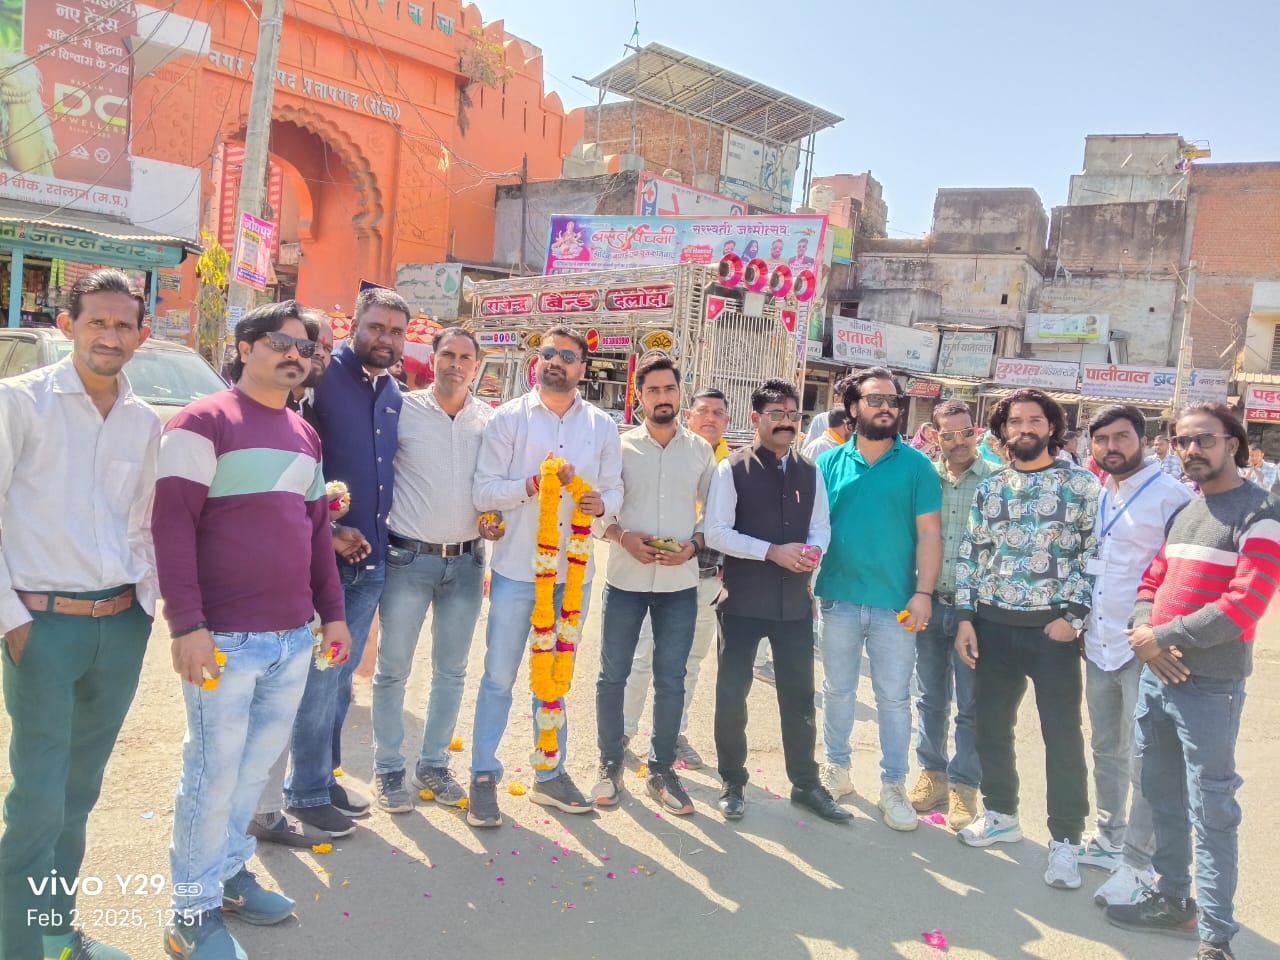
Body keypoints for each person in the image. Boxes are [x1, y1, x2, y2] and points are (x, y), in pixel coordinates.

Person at [154, 300, 351, 959]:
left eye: (306, 347)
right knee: (211, 775)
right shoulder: (200, 422)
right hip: (224, 641)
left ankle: (231, 875)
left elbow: (316, 533)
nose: (296, 354)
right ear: (244, 348)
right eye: (281, 342)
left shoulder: (304, 435)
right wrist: (187, 624)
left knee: (251, 772)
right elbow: (171, 529)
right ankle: (190, 911)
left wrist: (333, 614)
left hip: (292, 640)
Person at [0, 270, 158, 960]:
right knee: (38, 798)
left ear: (141, 336)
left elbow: (143, 525)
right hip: (42, 626)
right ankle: (16, 945)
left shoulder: (144, 421)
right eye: (97, 321)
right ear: (67, 326)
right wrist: (11, 618)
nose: (110, 336)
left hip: (119, 627)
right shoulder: (19, 403)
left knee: (79, 792)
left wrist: (145, 608)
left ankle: (55, 933)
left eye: (123, 325)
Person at [1106, 403, 1280, 960]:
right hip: (1159, 676)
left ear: (1234, 442)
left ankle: (1216, 937)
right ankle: (1173, 897)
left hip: (1209, 685)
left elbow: (1245, 604)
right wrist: (1146, 635)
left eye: (1203, 439)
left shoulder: (1260, 512)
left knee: (1212, 810)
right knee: (1162, 794)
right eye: (1182, 441)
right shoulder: (1189, 508)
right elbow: (1152, 579)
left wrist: (1161, 637)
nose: (1190, 450)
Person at [467, 326, 623, 827]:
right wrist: (533, 484)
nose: (556, 361)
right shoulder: (508, 418)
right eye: (548, 353)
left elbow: (615, 491)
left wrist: (600, 504)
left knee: (554, 679)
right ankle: (483, 774)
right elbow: (484, 490)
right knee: (498, 677)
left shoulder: (601, 425)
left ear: (583, 368)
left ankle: (549, 775)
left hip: (572, 576)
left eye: (567, 356)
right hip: (517, 571)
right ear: (537, 361)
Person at [954, 387, 1100, 891]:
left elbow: (1093, 553)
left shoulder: (1080, 484)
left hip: (1051, 631)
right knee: (991, 726)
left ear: (1051, 427)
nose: (1024, 429)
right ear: (1002, 431)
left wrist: (1074, 615)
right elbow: (972, 552)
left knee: (1062, 735)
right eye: (1015, 422)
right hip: (993, 626)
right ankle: (1001, 814)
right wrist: (966, 617)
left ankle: (1066, 840)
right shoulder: (992, 487)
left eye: (1034, 420)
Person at [284, 287, 408, 837]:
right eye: (375, 326)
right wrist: (329, 530)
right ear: (354, 325)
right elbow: (292, 469)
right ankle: (304, 791)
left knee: (339, 680)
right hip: (322, 557)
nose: (385, 338)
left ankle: (324, 777)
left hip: (371, 560)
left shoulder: (392, 392)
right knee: (318, 676)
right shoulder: (318, 378)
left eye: (395, 331)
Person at [705, 378, 850, 824]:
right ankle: (732, 780)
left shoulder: (810, 470)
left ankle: (805, 783)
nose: (787, 423)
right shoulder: (732, 469)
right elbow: (716, 532)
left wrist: (814, 551)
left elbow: (821, 526)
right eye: (776, 415)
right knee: (733, 694)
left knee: (800, 697)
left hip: (793, 604)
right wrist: (771, 551)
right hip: (742, 601)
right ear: (756, 419)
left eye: (792, 415)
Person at [370, 327, 502, 813]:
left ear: (477, 366)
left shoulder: (488, 420)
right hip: (408, 558)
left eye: (466, 357)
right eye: (448, 354)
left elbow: (492, 485)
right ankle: (388, 768)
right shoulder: (401, 409)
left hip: (466, 562)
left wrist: (493, 517)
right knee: (393, 669)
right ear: (433, 359)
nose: (456, 364)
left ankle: (433, 764)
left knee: (452, 671)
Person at [252, 311, 369, 849]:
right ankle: (268, 811)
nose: (311, 354)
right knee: (252, 718)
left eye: (319, 345)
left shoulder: (303, 414)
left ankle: (286, 799)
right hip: (250, 595)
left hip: (303, 582)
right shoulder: (235, 415)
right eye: (299, 344)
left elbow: (305, 505)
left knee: (303, 693)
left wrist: (333, 528)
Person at [813, 367, 943, 831]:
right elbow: (813, 529)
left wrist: (923, 592)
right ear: (853, 407)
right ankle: (837, 768)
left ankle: (893, 785)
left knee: (893, 698)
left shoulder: (917, 466)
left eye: (893, 401)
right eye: (876, 400)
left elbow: (929, 534)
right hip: (838, 598)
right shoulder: (828, 463)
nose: (887, 408)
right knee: (837, 690)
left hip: (896, 604)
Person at [593, 356, 715, 814]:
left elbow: (714, 514)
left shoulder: (700, 451)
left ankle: (662, 771)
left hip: (679, 583)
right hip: (625, 579)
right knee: (613, 676)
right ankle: (609, 764)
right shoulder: (620, 448)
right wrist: (621, 536)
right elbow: (599, 510)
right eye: (653, 390)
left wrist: (694, 546)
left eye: (670, 389)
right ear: (638, 396)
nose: (663, 398)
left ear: (680, 394)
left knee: (671, 678)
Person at [1081, 405, 1192, 908]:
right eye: (1102, 438)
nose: (1112, 447)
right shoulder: (1103, 490)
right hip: (1099, 640)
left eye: (1122, 437)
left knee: (1147, 757)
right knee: (1107, 746)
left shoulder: (1172, 497)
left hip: (1144, 646)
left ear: (1144, 441)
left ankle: (1140, 861)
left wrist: (1164, 636)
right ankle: (1109, 836)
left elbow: (1182, 576)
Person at [621, 387, 731, 768]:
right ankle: (624, 731)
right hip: (665, 573)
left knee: (692, 661)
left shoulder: (732, 465)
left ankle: (673, 733)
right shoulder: (669, 455)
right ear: (689, 415)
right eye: (703, 411)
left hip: (708, 576)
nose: (710, 418)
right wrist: (673, 549)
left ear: (727, 421)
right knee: (645, 656)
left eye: (718, 413)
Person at [908, 400, 989, 832]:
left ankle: (964, 784)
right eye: (949, 435)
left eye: (966, 433)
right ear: (934, 436)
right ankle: (933, 774)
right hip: (929, 601)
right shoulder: (925, 478)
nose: (959, 442)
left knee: (971, 703)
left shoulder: (996, 480)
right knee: (930, 697)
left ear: (977, 432)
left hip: (974, 613)